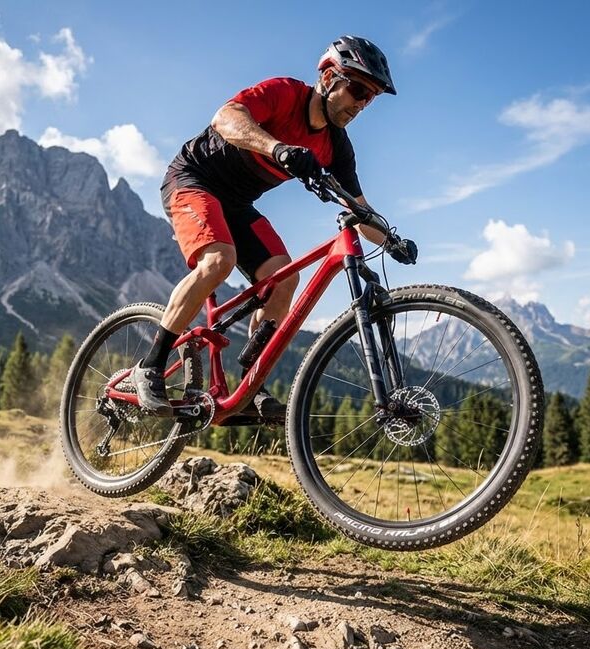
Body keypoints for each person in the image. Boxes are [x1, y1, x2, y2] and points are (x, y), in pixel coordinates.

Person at [133, 35, 415, 418]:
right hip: (193, 180)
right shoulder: (284, 93)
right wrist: (277, 148)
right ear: (329, 77)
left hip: (236, 204)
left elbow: (358, 208)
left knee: (284, 278)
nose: (362, 104)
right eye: (359, 90)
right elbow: (226, 118)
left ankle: (251, 387)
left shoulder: (336, 146)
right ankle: (150, 365)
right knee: (219, 260)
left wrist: (392, 240)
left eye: (371, 98)